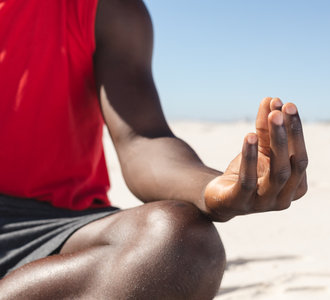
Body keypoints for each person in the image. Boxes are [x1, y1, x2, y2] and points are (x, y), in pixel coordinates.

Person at [0, 0, 308, 298]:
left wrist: (211, 186)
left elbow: (142, 139)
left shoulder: (107, 9)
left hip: (58, 228)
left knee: (183, 245)